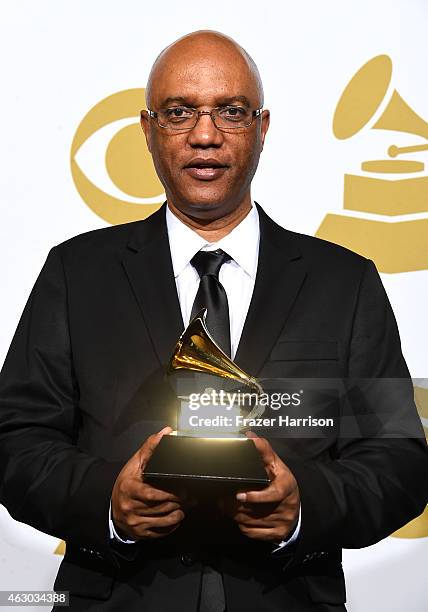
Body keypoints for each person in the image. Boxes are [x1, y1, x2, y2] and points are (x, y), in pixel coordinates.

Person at [0, 30, 426, 612]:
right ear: (148, 130)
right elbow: (17, 441)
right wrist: (108, 500)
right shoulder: (77, 273)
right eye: (180, 112)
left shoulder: (345, 283)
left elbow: (399, 460)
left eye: (231, 111)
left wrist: (304, 505)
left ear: (262, 127)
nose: (206, 136)